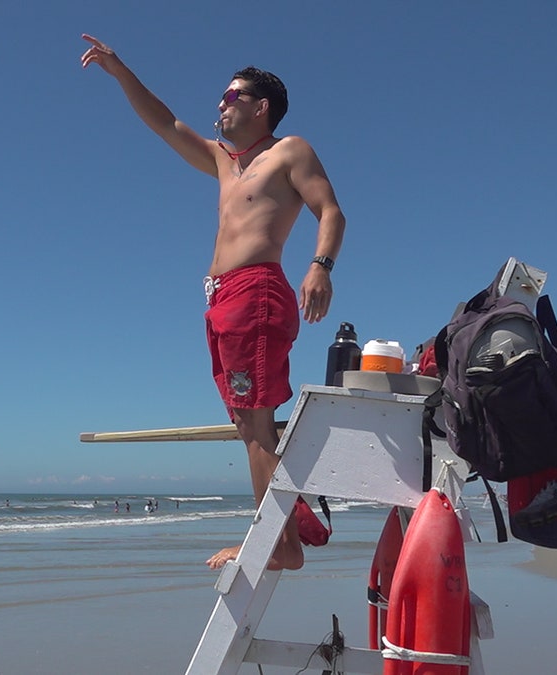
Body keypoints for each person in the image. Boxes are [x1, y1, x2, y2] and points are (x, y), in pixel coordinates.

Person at [81, 35, 346, 571]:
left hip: (257, 293)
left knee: (255, 423)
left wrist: (320, 268)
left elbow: (332, 212)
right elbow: (165, 122)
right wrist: (119, 70)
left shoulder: (288, 150)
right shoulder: (225, 161)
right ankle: (291, 529)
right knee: (252, 426)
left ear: (260, 106)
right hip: (221, 300)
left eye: (232, 96)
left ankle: (281, 546)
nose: (221, 104)